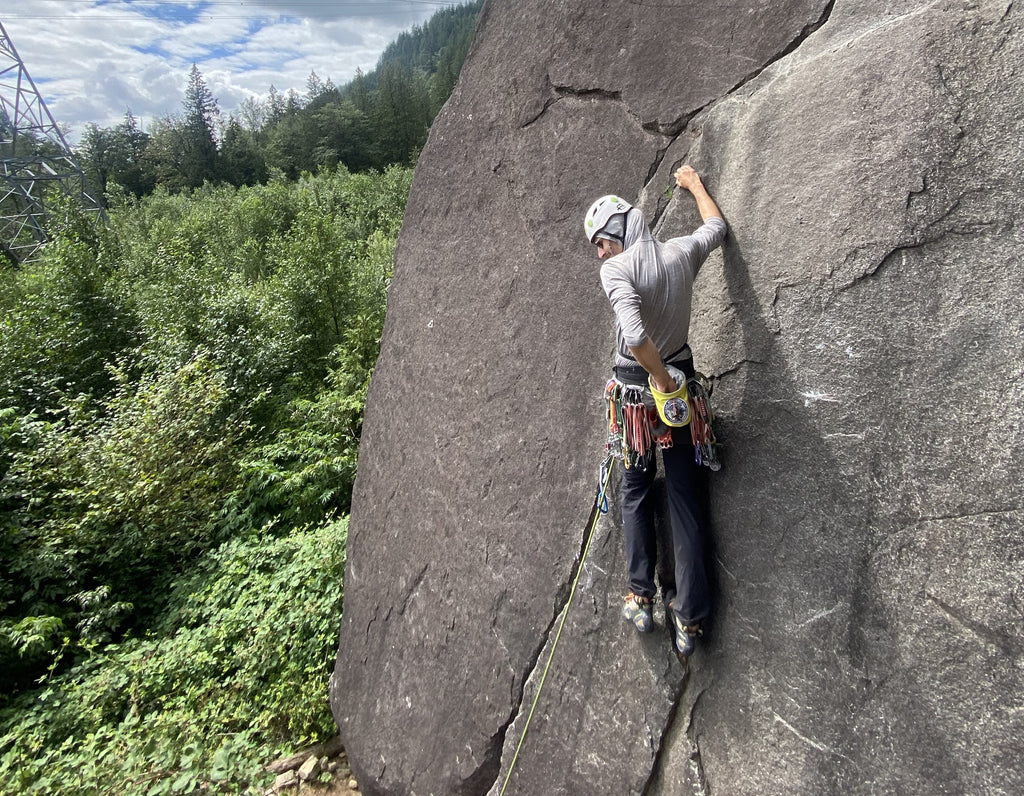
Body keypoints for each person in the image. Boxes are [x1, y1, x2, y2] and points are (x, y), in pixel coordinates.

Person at [584, 165, 726, 659]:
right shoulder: (679, 253)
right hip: (682, 394)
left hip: (639, 395)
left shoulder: (616, 271)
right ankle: (690, 619)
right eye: (598, 247)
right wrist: (694, 185)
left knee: (637, 487)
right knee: (686, 499)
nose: (599, 252)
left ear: (621, 228)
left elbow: (636, 335)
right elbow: (715, 230)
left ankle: (641, 594)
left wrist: (658, 378)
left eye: (601, 240)